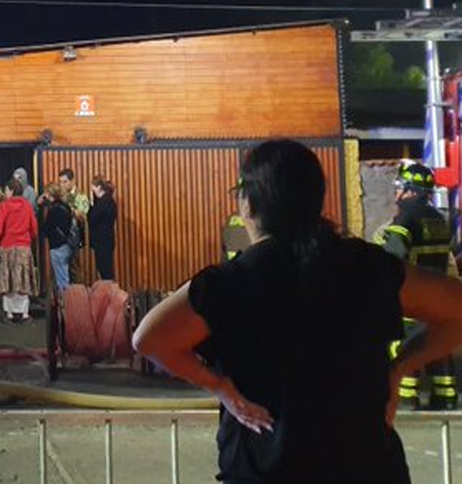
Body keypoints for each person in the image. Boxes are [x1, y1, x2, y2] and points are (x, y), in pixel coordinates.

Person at [132, 139, 462, 484]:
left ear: (248, 203)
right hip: (367, 466)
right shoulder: (369, 265)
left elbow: (148, 339)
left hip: (266, 467)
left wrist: (220, 387)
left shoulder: (231, 281)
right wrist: (399, 368)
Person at [373, 161, 456, 411]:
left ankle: (408, 397)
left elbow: (392, 258)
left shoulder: (406, 217)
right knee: (436, 345)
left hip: (412, 299)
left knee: (407, 346)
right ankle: (446, 395)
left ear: (410, 189)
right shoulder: (439, 219)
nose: (397, 193)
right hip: (438, 297)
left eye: (400, 187)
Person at [0, 178, 38, 323]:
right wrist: (28, 240)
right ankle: (24, 313)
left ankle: (10, 314)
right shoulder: (27, 206)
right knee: (23, 279)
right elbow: (34, 228)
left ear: (11, 190)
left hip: (8, 246)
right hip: (24, 246)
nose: (5, 193)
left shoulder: (4, 206)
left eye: (6, 190)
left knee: (8, 280)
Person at [43, 182, 75, 293]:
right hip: (68, 244)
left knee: (61, 279)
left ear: (50, 194)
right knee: (65, 274)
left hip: (57, 246)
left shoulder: (53, 210)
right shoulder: (66, 206)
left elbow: (47, 229)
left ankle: (65, 305)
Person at [87, 175, 117, 282]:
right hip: (104, 240)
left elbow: (91, 217)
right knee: (104, 268)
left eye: (93, 186)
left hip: (103, 241)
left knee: (105, 270)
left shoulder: (105, 202)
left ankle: (109, 293)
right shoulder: (107, 201)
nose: (91, 189)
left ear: (99, 187)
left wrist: (91, 203)